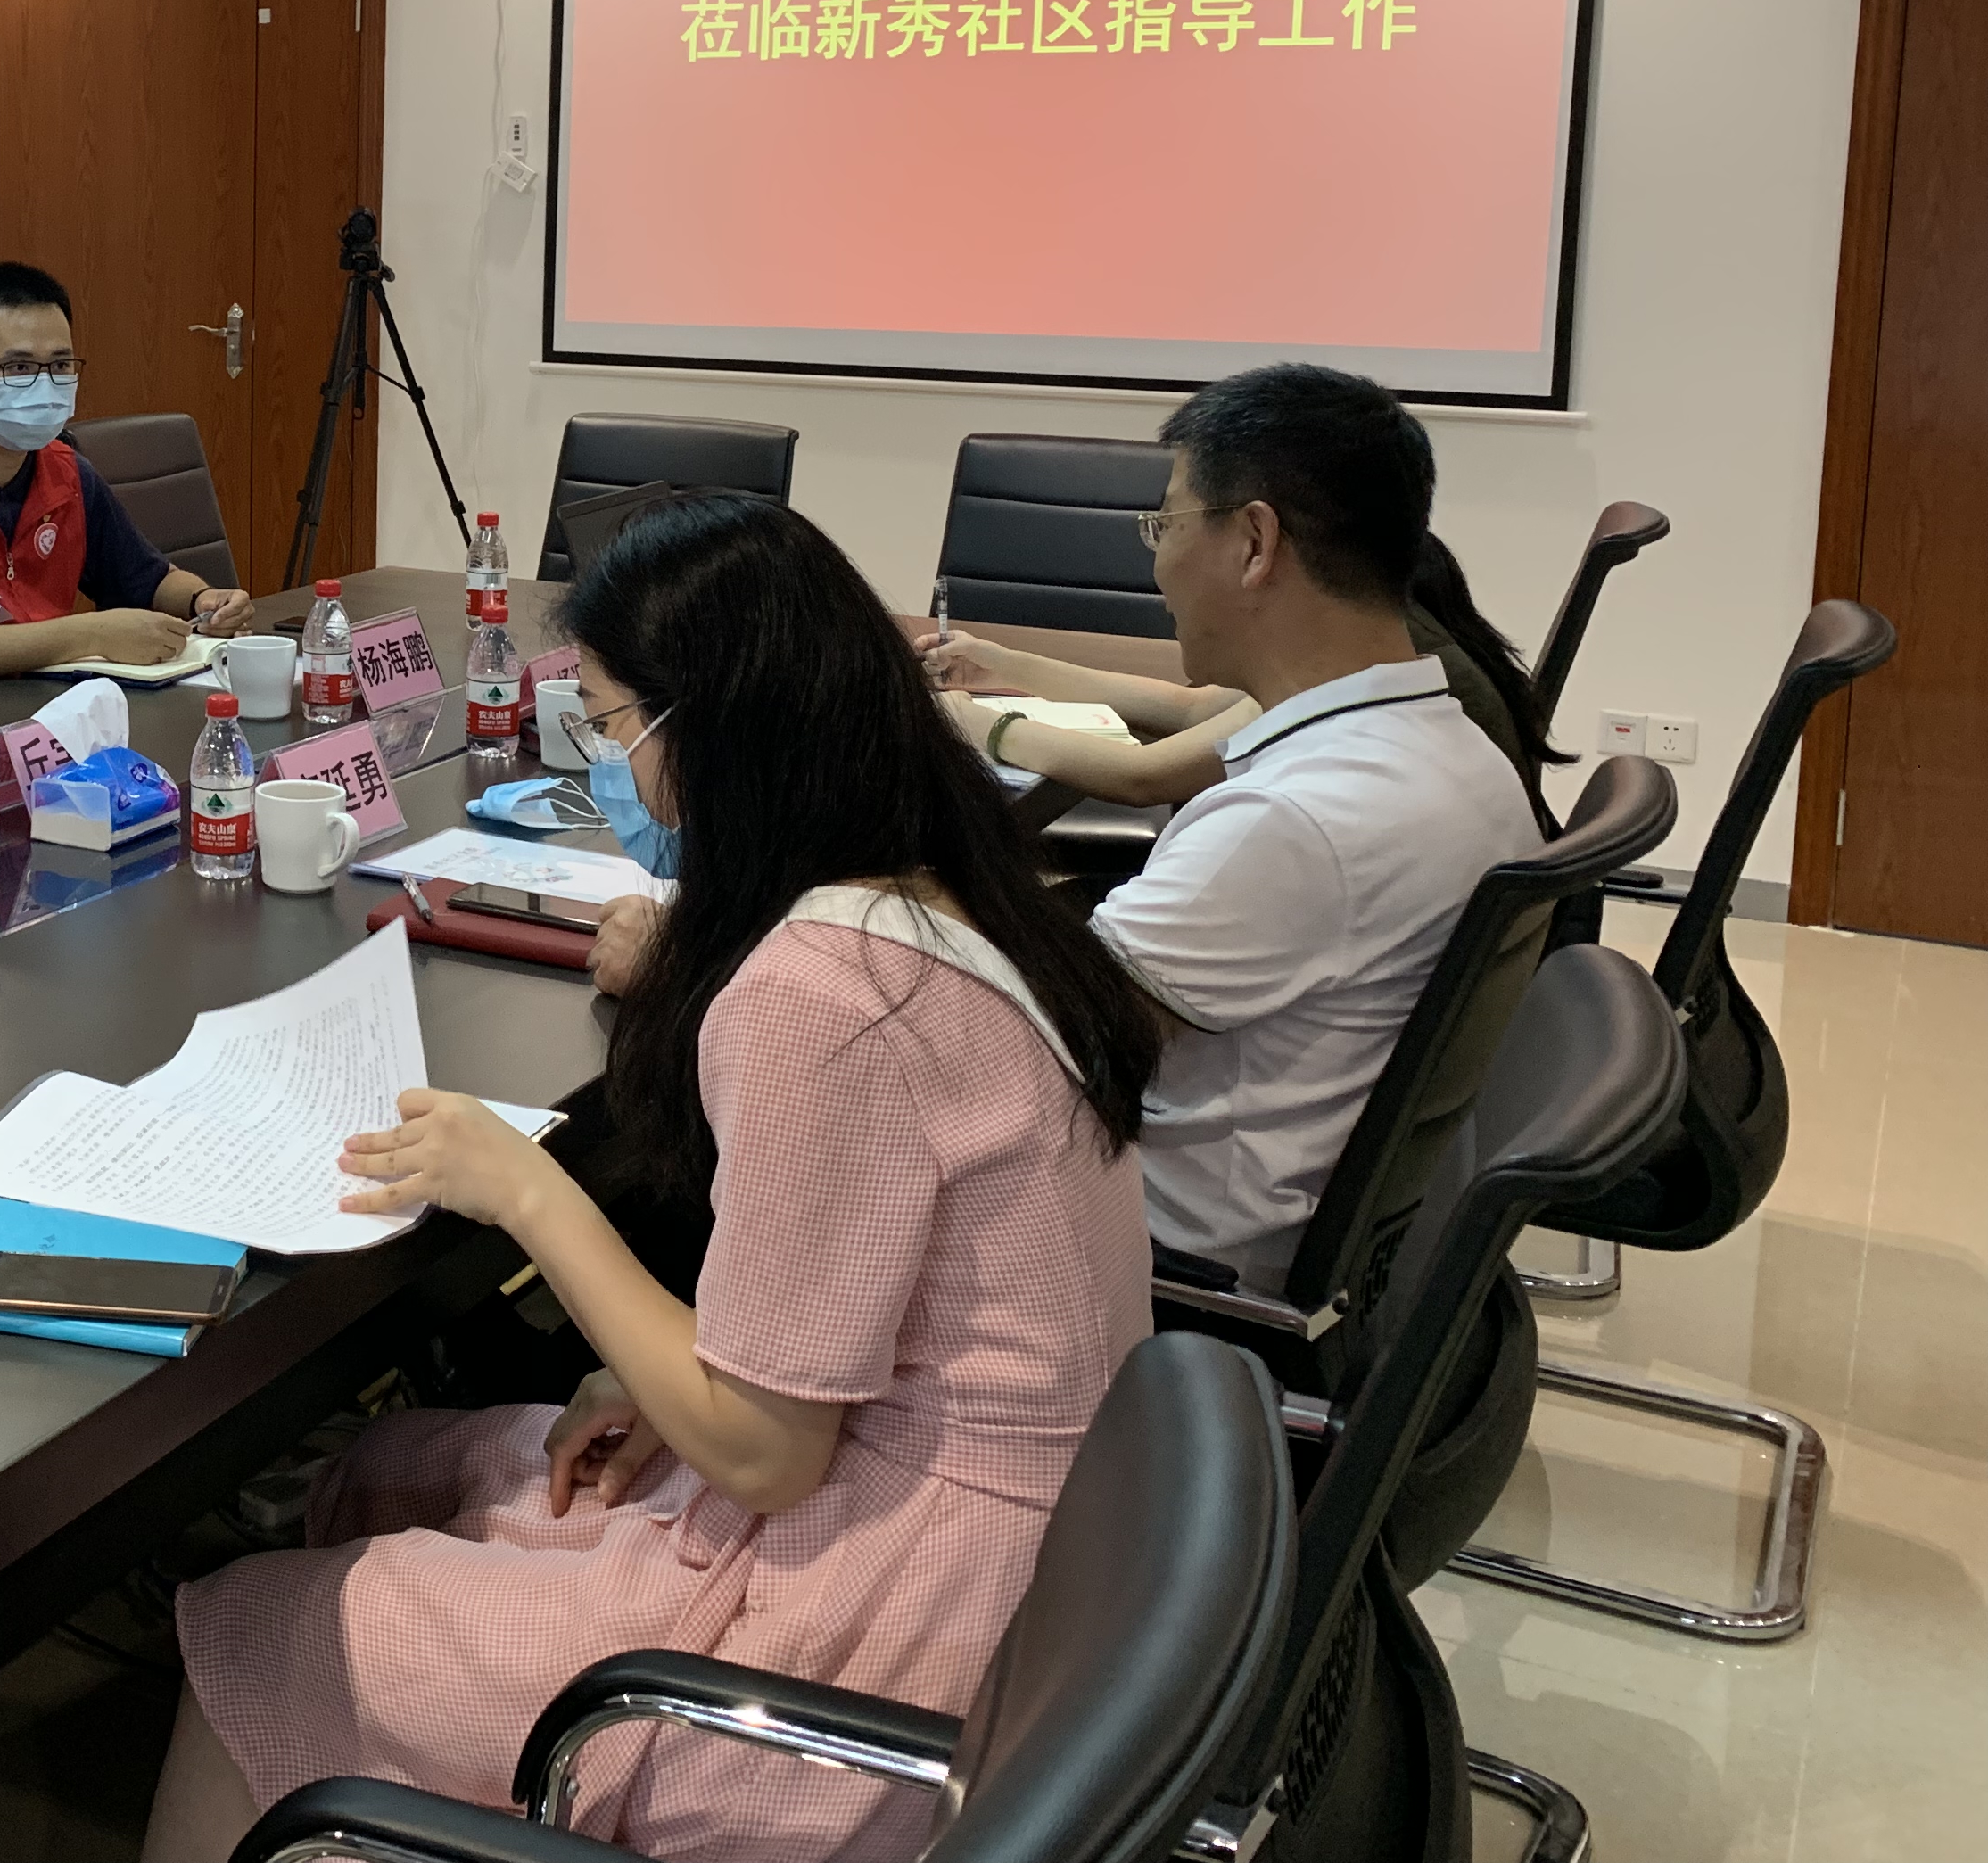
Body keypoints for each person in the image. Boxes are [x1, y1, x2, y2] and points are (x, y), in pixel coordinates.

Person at [144, 495, 1165, 1863]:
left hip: (890, 1628)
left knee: (259, 1624)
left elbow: (766, 1452)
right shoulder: (945, 890)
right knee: (402, 1462)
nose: (607, 760)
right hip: (1026, 1551)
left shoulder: (821, 996)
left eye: (613, 723)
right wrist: (667, 1360)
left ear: (715, 731)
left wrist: (525, 1189)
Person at [1060, 364, 1543, 1290]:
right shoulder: (1459, 753)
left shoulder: (1290, 822)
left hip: (1167, 1263)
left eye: (1167, 524)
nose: (1157, 564)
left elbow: (1041, 1043)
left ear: (1254, 543)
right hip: (1310, 1230)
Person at [918, 527, 1561, 816]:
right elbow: (1194, 707)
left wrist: (978, 724)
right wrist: (1007, 665)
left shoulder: (1358, 668)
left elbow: (1144, 776)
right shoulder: (1395, 626)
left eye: (1171, 526)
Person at [0, 260, 255, 675]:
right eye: (18, 368)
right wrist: (90, 635)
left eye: (60, 365)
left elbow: (147, 579)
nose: (45, 383)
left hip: (55, 701)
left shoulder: (68, 471)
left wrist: (203, 599)